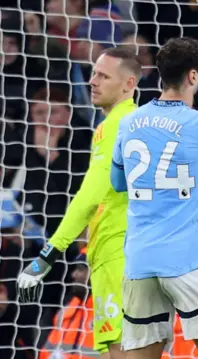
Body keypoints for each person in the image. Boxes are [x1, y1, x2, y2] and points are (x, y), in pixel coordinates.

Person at [110, 37, 198, 359]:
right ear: (193, 76)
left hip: (140, 261)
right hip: (190, 261)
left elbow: (118, 183)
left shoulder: (128, 122)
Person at [17, 47, 141, 359]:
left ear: (129, 84)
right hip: (126, 249)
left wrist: (46, 256)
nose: (93, 81)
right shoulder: (134, 122)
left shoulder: (115, 126)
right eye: (94, 73)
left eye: (103, 75)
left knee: (121, 349)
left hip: (117, 252)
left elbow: (89, 197)